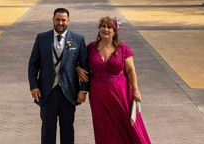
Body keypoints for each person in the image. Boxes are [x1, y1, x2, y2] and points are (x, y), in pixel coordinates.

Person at [81, 16, 152, 144]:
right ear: (99, 29)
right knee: (104, 128)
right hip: (98, 96)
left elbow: (130, 70)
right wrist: (77, 69)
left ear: (115, 31)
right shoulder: (90, 48)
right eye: (103, 26)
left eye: (109, 27)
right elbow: (80, 63)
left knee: (128, 125)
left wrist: (136, 90)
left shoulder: (123, 48)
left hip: (121, 93)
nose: (105, 29)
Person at [28, 8, 89, 144]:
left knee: (68, 129)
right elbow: (33, 64)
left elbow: (85, 67)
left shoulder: (78, 39)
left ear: (68, 21)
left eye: (63, 20)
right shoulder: (41, 38)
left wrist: (83, 90)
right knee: (47, 129)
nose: (60, 23)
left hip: (68, 92)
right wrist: (33, 86)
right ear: (53, 19)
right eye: (57, 19)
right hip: (47, 91)